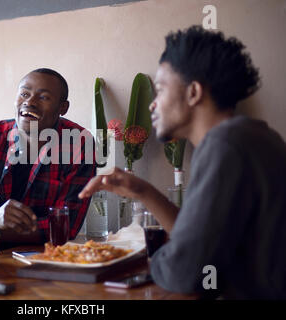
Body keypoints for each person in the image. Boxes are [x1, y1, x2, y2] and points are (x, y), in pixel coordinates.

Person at [79, 26, 286, 299]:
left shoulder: (224, 145)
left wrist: (151, 261)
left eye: (162, 89)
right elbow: (201, 239)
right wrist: (143, 191)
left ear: (193, 93)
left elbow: (189, 270)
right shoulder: (256, 136)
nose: (152, 105)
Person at [0, 68, 96, 250]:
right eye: (24, 94)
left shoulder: (78, 144)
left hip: (46, 263)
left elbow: (63, 228)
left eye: (43, 97)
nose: (30, 102)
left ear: (63, 108)